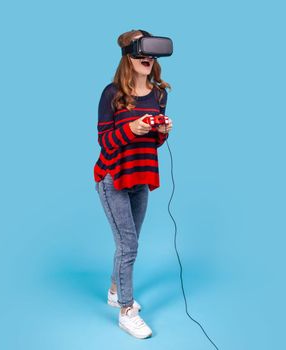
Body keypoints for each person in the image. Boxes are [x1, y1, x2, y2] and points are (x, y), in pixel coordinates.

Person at [93, 29, 173, 339]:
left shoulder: (160, 94)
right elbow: (105, 142)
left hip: (141, 175)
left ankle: (115, 290)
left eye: (152, 53)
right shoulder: (111, 94)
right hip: (113, 176)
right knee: (129, 246)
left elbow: (155, 144)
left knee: (129, 244)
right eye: (142, 52)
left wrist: (162, 130)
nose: (148, 59)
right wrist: (133, 129)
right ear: (129, 55)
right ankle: (126, 311)